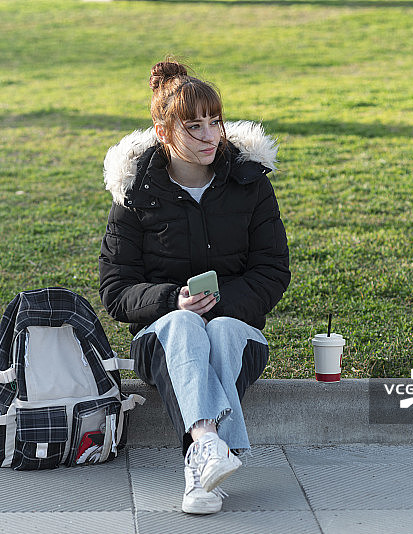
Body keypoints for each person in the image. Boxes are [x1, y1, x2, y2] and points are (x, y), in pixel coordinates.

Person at [98, 60, 290, 514]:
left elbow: (272, 270)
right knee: (184, 324)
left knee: (220, 332)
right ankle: (208, 443)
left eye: (214, 122)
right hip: (161, 343)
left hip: (239, 332)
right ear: (164, 133)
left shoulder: (250, 184)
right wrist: (171, 300)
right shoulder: (136, 193)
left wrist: (221, 303)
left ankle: (200, 462)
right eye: (193, 126)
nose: (209, 136)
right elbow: (115, 287)